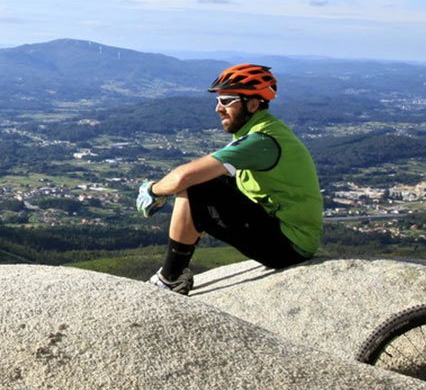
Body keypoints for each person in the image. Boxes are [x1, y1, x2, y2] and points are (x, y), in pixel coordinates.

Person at [135, 63, 323, 294]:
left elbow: (184, 176)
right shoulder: (264, 132)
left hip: (290, 246)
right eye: (218, 100)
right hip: (287, 236)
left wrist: (153, 189)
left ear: (253, 104)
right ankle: (174, 274)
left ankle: (171, 278)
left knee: (197, 187)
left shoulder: (261, 141)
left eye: (227, 100)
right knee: (208, 185)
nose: (218, 108)